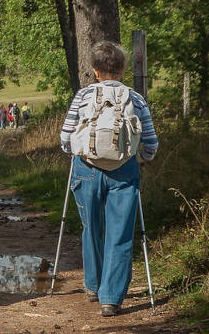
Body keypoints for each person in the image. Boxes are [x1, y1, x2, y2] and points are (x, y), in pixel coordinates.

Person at [60, 41, 158, 317]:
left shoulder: (82, 96)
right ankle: (111, 299)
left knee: (91, 226)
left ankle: (92, 285)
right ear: (123, 69)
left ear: (94, 70)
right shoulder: (136, 99)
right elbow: (150, 143)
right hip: (125, 170)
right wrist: (141, 158)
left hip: (86, 168)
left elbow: (66, 138)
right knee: (121, 233)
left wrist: (75, 152)